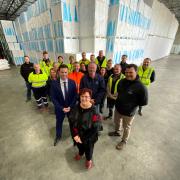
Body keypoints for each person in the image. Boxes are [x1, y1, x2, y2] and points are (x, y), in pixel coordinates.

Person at [109, 64, 148, 150]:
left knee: (126, 127)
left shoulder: (141, 87)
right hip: (118, 109)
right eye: (126, 72)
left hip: (129, 113)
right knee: (117, 122)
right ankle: (117, 132)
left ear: (136, 72)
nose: (128, 74)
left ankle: (124, 141)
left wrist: (131, 105)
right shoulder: (122, 81)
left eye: (131, 72)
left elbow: (143, 102)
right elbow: (118, 93)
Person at [69, 88, 101, 169]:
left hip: (89, 137)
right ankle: (80, 153)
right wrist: (75, 135)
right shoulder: (75, 108)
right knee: (79, 146)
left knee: (89, 149)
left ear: (90, 98)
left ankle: (88, 159)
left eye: (86, 96)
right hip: (77, 135)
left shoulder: (94, 111)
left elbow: (95, 128)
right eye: (82, 96)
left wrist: (83, 138)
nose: (84, 98)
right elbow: (72, 123)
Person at [50, 64, 77, 146]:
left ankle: (74, 137)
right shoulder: (54, 83)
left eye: (65, 72)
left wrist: (70, 106)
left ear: (68, 72)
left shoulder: (72, 82)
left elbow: (75, 96)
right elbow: (53, 98)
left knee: (72, 123)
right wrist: (61, 108)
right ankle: (58, 136)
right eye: (62, 72)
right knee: (59, 122)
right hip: (60, 109)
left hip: (70, 108)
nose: (64, 74)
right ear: (58, 72)